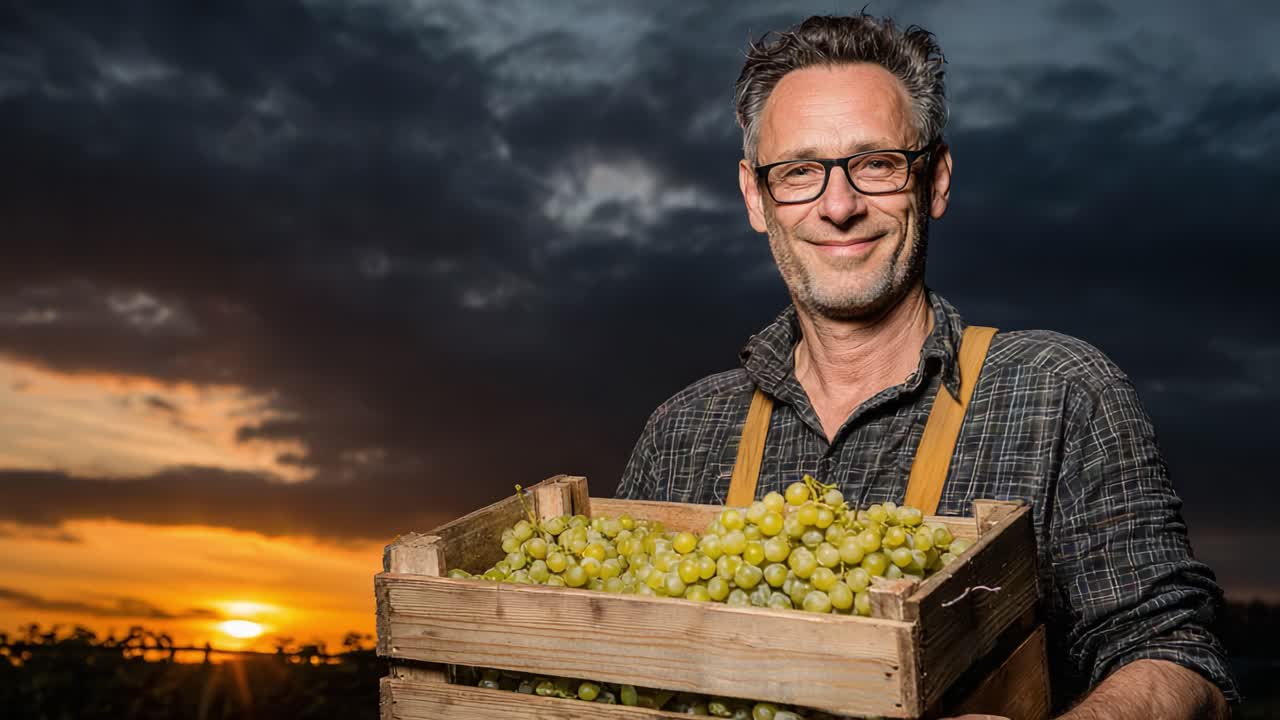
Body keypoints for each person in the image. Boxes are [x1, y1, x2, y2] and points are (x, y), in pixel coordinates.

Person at [615, 13, 1237, 719]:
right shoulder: (682, 432)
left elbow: (1181, 662)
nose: (839, 205)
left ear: (934, 179)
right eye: (798, 173)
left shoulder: (1061, 392)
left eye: (875, 164)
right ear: (757, 198)